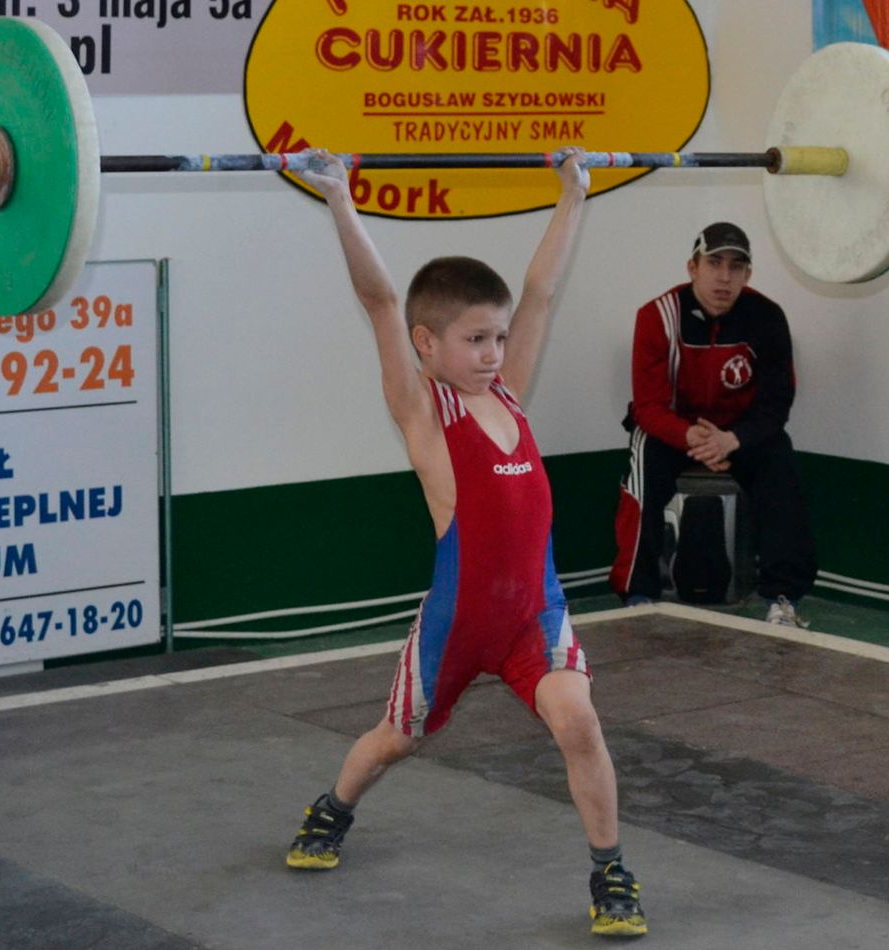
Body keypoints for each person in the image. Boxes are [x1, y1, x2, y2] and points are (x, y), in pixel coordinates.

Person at [284, 148, 647, 938]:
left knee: (579, 722)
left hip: (532, 620)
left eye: (497, 338)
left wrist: (573, 194)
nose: (492, 353)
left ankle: (610, 872)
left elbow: (543, 292)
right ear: (428, 344)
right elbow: (379, 300)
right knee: (391, 744)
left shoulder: (507, 392)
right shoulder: (426, 416)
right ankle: (332, 810)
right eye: (476, 340)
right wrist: (340, 195)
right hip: (456, 627)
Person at [609, 222, 818, 626]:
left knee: (780, 462)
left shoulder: (767, 317)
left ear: (748, 274)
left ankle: (783, 598)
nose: (724, 277)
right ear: (693, 267)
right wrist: (693, 437)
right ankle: (637, 594)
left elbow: (777, 405)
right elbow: (647, 407)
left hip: (739, 434)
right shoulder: (657, 317)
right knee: (642, 463)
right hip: (673, 431)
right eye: (714, 263)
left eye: (736, 267)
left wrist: (732, 440)